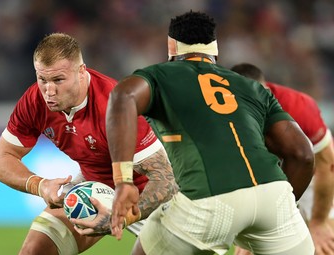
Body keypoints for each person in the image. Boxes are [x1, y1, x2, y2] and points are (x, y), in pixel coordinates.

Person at [105, 11, 315, 255]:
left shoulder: (160, 75)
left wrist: (123, 181)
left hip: (210, 199)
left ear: (171, 47)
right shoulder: (253, 87)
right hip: (275, 197)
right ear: (215, 50)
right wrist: (277, 208)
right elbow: (303, 154)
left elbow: (123, 95)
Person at [0, 32, 178, 255]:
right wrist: (40, 185)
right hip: (94, 191)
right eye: (42, 79)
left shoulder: (114, 104)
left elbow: (165, 180)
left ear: (81, 72)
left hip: (151, 199)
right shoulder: (34, 101)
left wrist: (123, 216)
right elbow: (1, 160)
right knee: (34, 250)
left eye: (58, 80)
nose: (49, 91)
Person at [231, 63, 334, 255]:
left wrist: (319, 222)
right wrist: (249, 231)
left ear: (267, 91)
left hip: (314, 176)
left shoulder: (299, 107)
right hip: (270, 177)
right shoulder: (221, 112)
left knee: (323, 246)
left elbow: (326, 165)